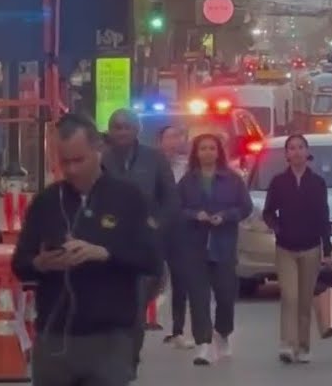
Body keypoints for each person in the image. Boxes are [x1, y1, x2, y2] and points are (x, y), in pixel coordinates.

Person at [12, 114, 162, 386]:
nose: (71, 170)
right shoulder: (46, 202)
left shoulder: (127, 197)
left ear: (98, 150)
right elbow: (19, 263)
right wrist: (41, 263)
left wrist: (105, 253)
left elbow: (151, 259)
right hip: (54, 338)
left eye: (78, 160)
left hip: (109, 338)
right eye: (64, 161)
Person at [102, 108, 178, 375]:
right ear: (110, 131)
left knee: (135, 307)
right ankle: (111, 356)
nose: (121, 132)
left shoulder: (154, 159)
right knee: (109, 305)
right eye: (116, 127)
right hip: (107, 244)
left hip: (143, 245)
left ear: (137, 130)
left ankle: (130, 358)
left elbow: (171, 198)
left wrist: (157, 224)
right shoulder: (101, 159)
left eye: (126, 127)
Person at [177, 133, 253, 365]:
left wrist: (227, 216)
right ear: (196, 153)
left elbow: (245, 207)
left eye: (212, 148)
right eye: (203, 149)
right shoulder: (187, 181)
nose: (207, 153)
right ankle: (204, 344)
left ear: (219, 152)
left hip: (224, 245)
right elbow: (175, 209)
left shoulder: (232, 179)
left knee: (225, 296)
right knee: (199, 298)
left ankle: (223, 333)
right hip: (195, 247)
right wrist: (193, 215)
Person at [260, 134, 331, 364]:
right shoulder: (279, 182)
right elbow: (268, 212)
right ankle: (287, 344)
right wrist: (278, 229)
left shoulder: (317, 183)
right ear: (286, 154)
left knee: (304, 299)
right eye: (292, 148)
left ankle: (303, 345)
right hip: (286, 248)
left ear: (307, 152)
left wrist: (327, 248)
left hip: (311, 247)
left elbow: (323, 216)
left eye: (301, 147)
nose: (297, 152)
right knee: (289, 296)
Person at [158, 124, 194, 349]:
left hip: (181, 231)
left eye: (179, 135)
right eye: (170, 136)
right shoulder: (152, 165)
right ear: (160, 140)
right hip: (155, 229)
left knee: (180, 280)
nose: (175, 141)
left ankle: (178, 329)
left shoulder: (189, 168)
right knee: (148, 278)